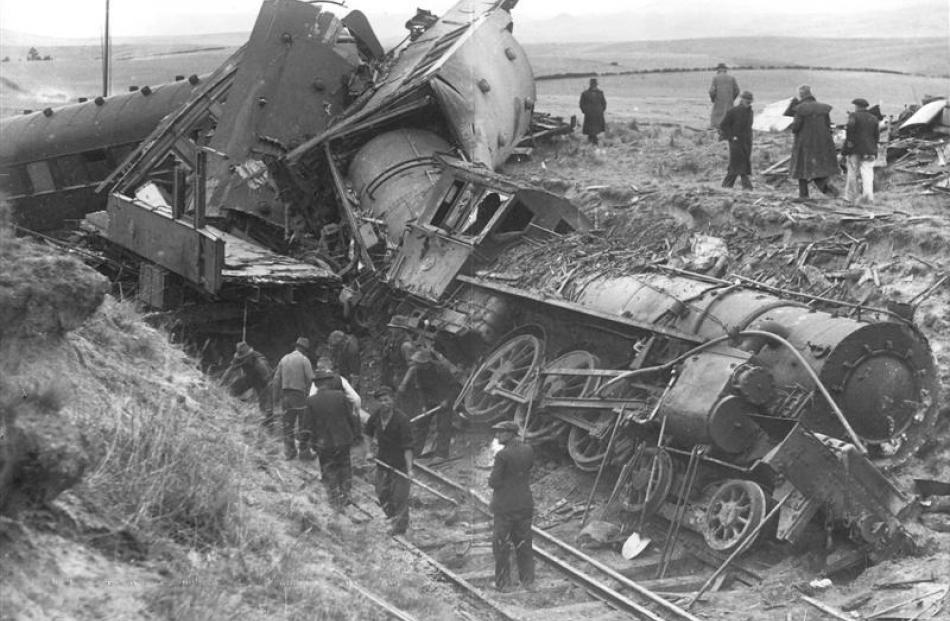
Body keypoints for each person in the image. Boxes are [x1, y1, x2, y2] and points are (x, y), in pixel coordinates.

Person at [489, 420, 535, 592]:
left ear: (510, 433)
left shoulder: (502, 455)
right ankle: (528, 581)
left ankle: (503, 583)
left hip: (505, 507)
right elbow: (528, 468)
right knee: (524, 543)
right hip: (524, 503)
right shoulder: (528, 449)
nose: (497, 435)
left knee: (501, 545)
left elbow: (494, 482)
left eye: (500, 432)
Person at [307, 370, 362, 510]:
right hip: (343, 439)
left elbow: (308, 425)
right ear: (328, 382)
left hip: (323, 443)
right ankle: (346, 494)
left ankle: (333, 498)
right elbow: (351, 417)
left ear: (317, 384)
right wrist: (356, 434)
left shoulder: (311, 401)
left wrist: (309, 443)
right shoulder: (340, 396)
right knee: (344, 465)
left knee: (328, 468)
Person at [364, 385, 414, 535]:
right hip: (383, 461)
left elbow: (408, 447)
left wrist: (410, 469)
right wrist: (368, 451)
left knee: (400, 496)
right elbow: (367, 433)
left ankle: (400, 528)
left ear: (392, 400)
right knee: (381, 492)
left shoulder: (402, 420)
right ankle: (393, 517)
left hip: (400, 463)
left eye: (387, 400)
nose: (384, 403)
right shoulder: (376, 416)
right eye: (381, 401)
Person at [397, 348, 461, 459]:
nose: (415, 365)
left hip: (444, 400)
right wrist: (423, 405)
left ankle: (442, 454)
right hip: (429, 400)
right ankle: (415, 452)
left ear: (425, 363)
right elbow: (421, 389)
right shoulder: (418, 371)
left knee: (443, 427)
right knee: (420, 425)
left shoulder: (441, 369)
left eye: (417, 363)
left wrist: (447, 400)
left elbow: (455, 387)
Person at [786, 85, 839, 200]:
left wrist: (792, 126)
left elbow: (796, 128)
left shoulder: (800, 108)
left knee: (802, 169)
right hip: (821, 144)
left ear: (801, 95)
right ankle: (832, 192)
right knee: (818, 169)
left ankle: (803, 195)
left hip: (804, 144)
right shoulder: (823, 108)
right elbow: (828, 124)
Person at [273, 337, 314, 460]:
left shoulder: (284, 359)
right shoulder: (304, 360)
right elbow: (311, 379)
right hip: (300, 395)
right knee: (304, 424)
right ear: (305, 350)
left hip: (286, 396)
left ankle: (290, 452)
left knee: (287, 425)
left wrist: (275, 399)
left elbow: (276, 380)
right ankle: (304, 452)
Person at [225, 341, 275, 430]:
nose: (242, 360)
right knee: (233, 388)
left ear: (249, 356)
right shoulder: (239, 359)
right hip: (250, 377)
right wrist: (220, 385)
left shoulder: (260, 363)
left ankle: (269, 426)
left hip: (263, 382)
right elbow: (230, 370)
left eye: (244, 358)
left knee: (266, 407)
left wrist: (266, 398)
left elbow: (269, 382)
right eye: (241, 358)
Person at [842, 98, 880, 205]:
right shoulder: (874, 118)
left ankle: (851, 197)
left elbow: (849, 130)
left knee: (852, 172)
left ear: (857, 106)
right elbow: (876, 136)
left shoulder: (853, 116)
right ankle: (868, 197)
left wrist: (847, 147)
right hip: (870, 149)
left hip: (855, 149)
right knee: (867, 174)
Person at [718, 90, 755, 190]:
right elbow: (723, 125)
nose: (748, 101)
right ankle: (747, 187)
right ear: (741, 99)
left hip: (746, 142)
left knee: (736, 166)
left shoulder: (750, 112)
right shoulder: (733, 111)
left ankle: (726, 186)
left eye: (750, 100)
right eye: (746, 99)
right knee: (740, 164)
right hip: (736, 142)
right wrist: (731, 136)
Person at [708, 63, 740, 129]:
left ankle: (716, 129)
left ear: (718, 70)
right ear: (725, 70)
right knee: (729, 115)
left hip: (719, 101)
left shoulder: (715, 78)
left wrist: (713, 99)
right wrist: (732, 98)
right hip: (729, 102)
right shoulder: (732, 78)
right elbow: (737, 90)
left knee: (716, 118)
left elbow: (711, 91)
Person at [579, 78, 607, 145]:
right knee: (591, 131)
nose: (594, 85)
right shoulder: (585, 93)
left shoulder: (600, 93)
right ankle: (593, 142)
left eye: (595, 84)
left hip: (598, 114)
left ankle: (593, 142)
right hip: (589, 115)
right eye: (592, 84)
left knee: (596, 130)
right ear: (590, 84)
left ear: (596, 84)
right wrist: (585, 111)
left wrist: (600, 110)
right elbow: (581, 104)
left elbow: (604, 103)